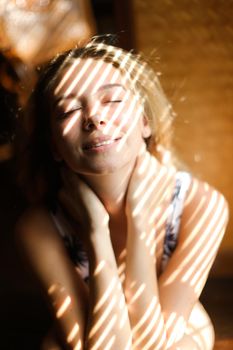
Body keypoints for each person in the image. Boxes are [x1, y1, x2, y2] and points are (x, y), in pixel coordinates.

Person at [15, 37, 229, 350]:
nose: (94, 117)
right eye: (69, 109)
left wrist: (138, 219)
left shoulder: (201, 205)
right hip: (95, 334)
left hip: (169, 338)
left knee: (188, 337)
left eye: (113, 100)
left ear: (144, 121)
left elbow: (152, 345)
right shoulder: (39, 227)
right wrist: (95, 232)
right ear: (55, 147)